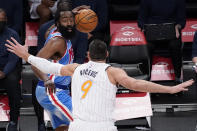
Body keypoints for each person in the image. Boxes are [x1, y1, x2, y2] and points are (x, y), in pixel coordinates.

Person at [6, 38, 194, 131]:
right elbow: (137, 85)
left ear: (88, 54)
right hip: (102, 127)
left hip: (78, 126)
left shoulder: (75, 68)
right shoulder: (113, 72)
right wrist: (170, 88)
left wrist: (27, 56)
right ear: (106, 55)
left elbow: (47, 65)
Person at [31, 6, 76, 131]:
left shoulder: (53, 31)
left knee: (63, 128)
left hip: (57, 90)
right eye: (65, 20)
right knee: (82, 121)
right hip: (53, 91)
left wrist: (73, 11)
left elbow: (59, 24)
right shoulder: (58, 41)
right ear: (57, 23)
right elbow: (35, 62)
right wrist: (46, 79)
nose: (69, 23)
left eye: (71, 20)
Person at [138, 0, 186, 84]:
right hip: (152, 32)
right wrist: (143, 28)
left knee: (175, 45)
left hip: (171, 31)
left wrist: (178, 27)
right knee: (147, 46)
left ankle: (178, 77)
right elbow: (141, 19)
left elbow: (182, 20)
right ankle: (146, 77)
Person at [0, 9, 21, 131]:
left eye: (1, 21)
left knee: (13, 82)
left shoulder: (12, 34)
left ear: (6, 21)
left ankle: (13, 120)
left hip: (8, 69)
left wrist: (4, 73)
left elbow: (13, 59)